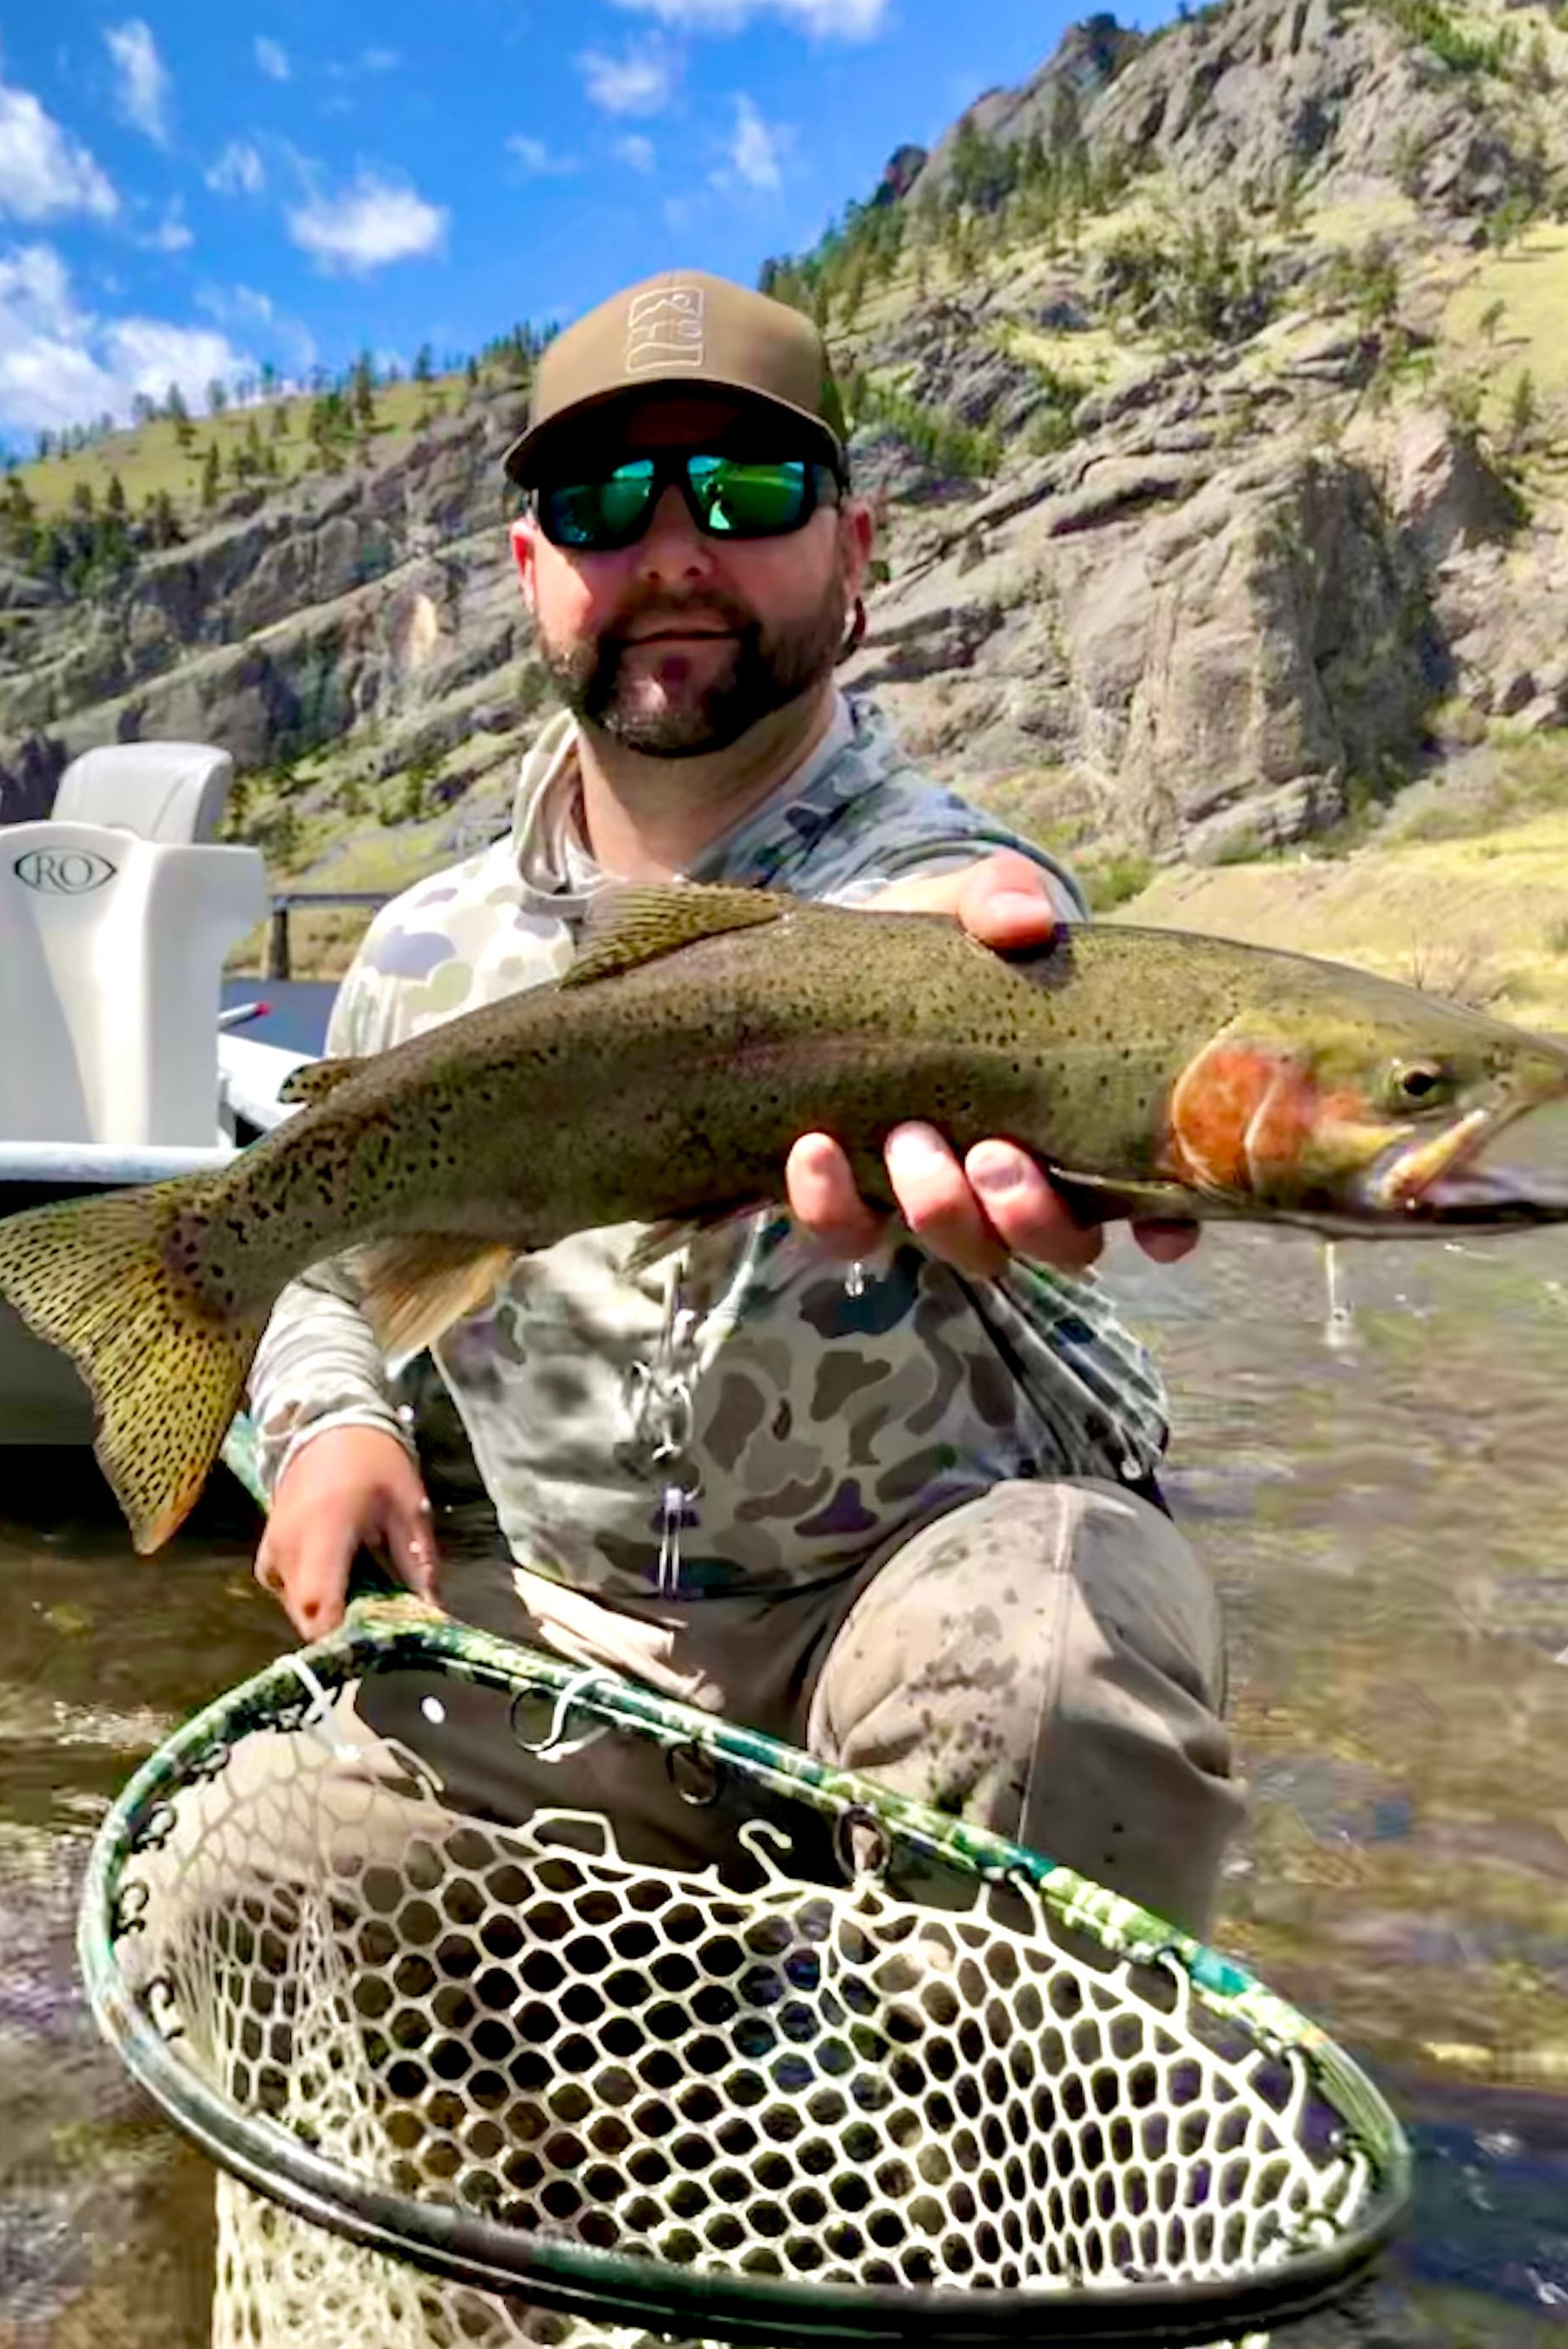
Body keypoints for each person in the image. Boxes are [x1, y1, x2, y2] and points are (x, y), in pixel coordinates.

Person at [232, 267, 1245, 1935]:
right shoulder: (422, 952)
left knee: (1056, 1671)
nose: (677, 548)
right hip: (566, 1645)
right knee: (272, 1865)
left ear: (855, 550)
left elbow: (976, 933)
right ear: (530, 569)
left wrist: (967, 1000)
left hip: (909, 1618)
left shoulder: (954, 909)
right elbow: (325, 1260)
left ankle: (987, 2169)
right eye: (604, 499)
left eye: (750, 489)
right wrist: (331, 1421)